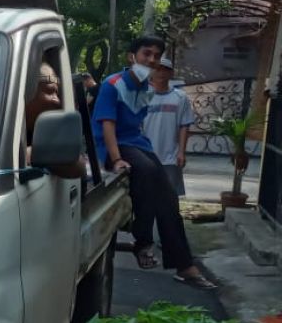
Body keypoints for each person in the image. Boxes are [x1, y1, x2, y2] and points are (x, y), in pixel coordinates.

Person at [91, 37, 213, 289]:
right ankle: (143, 242)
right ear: (131, 57)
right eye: (147, 54)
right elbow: (107, 125)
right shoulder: (112, 84)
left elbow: (138, 125)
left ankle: (184, 265)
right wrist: (116, 160)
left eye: (156, 55)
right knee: (145, 172)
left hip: (137, 143)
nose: (152, 60)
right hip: (112, 144)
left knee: (168, 195)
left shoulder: (147, 87)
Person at [142, 57, 194, 196]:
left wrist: (181, 151)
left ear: (171, 73)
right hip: (147, 155)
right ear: (151, 72)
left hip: (170, 156)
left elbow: (185, 125)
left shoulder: (180, 97)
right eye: (158, 69)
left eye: (166, 70)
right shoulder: (143, 96)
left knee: (170, 196)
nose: (161, 73)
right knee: (147, 194)